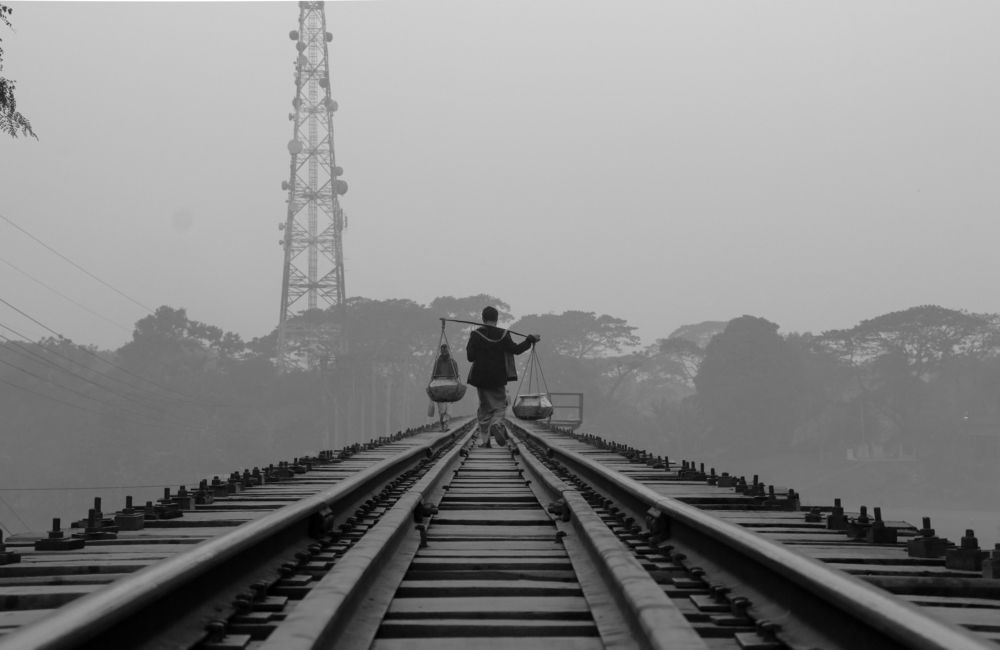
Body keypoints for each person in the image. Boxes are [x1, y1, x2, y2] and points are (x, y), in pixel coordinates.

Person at [466, 306, 540, 447]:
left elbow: (470, 357)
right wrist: (529, 340)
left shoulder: (475, 335)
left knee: (484, 408)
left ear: (483, 318)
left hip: (480, 378)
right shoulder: (503, 334)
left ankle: (486, 441)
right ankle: (497, 424)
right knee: (499, 406)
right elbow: (516, 350)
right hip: (498, 377)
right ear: (497, 319)